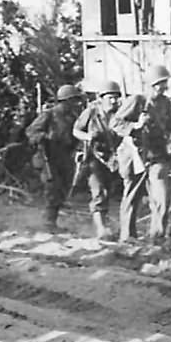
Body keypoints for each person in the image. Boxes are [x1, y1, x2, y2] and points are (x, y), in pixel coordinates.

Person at [112, 65, 171, 244]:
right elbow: (115, 123)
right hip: (136, 155)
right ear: (150, 84)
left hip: (158, 156)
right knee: (133, 196)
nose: (163, 87)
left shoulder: (166, 104)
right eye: (159, 83)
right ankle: (128, 237)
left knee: (162, 198)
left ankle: (157, 238)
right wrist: (135, 126)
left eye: (165, 83)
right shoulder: (137, 101)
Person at [26, 83, 83, 232]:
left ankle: (52, 221)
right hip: (47, 158)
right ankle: (48, 223)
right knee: (53, 189)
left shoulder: (72, 118)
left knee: (63, 189)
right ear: (65, 101)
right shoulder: (49, 115)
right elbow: (31, 132)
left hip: (64, 158)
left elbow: (76, 137)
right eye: (73, 100)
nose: (76, 103)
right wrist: (45, 137)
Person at [73, 80, 122, 240]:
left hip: (112, 159)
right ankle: (100, 229)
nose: (114, 101)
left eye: (116, 97)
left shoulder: (120, 114)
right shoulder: (91, 112)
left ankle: (104, 223)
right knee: (99, 191)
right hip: (93, 158)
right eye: (110, 97)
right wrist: (87, 137)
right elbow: (76, 130)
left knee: (109, 192)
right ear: (102, 98)